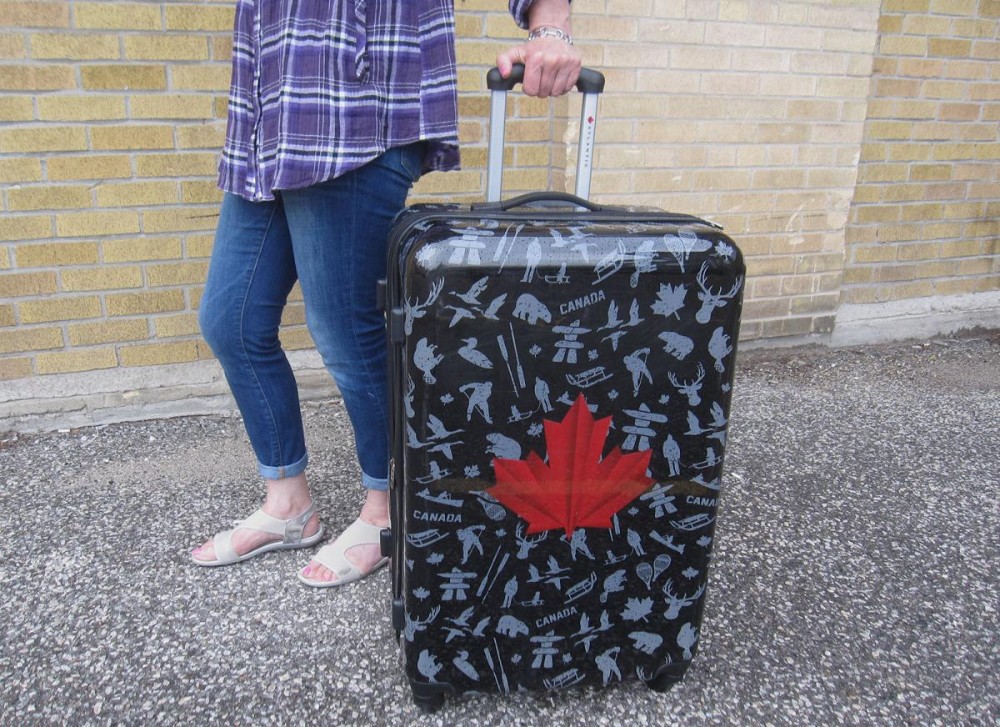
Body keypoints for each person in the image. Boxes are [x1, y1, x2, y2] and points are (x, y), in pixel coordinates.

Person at [191, 0, 582, 586]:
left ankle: (387, 510)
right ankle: (288, 506)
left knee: (347, 334)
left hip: (351, 111)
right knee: (231, 322)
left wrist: (549, 25)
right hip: (266, 119)